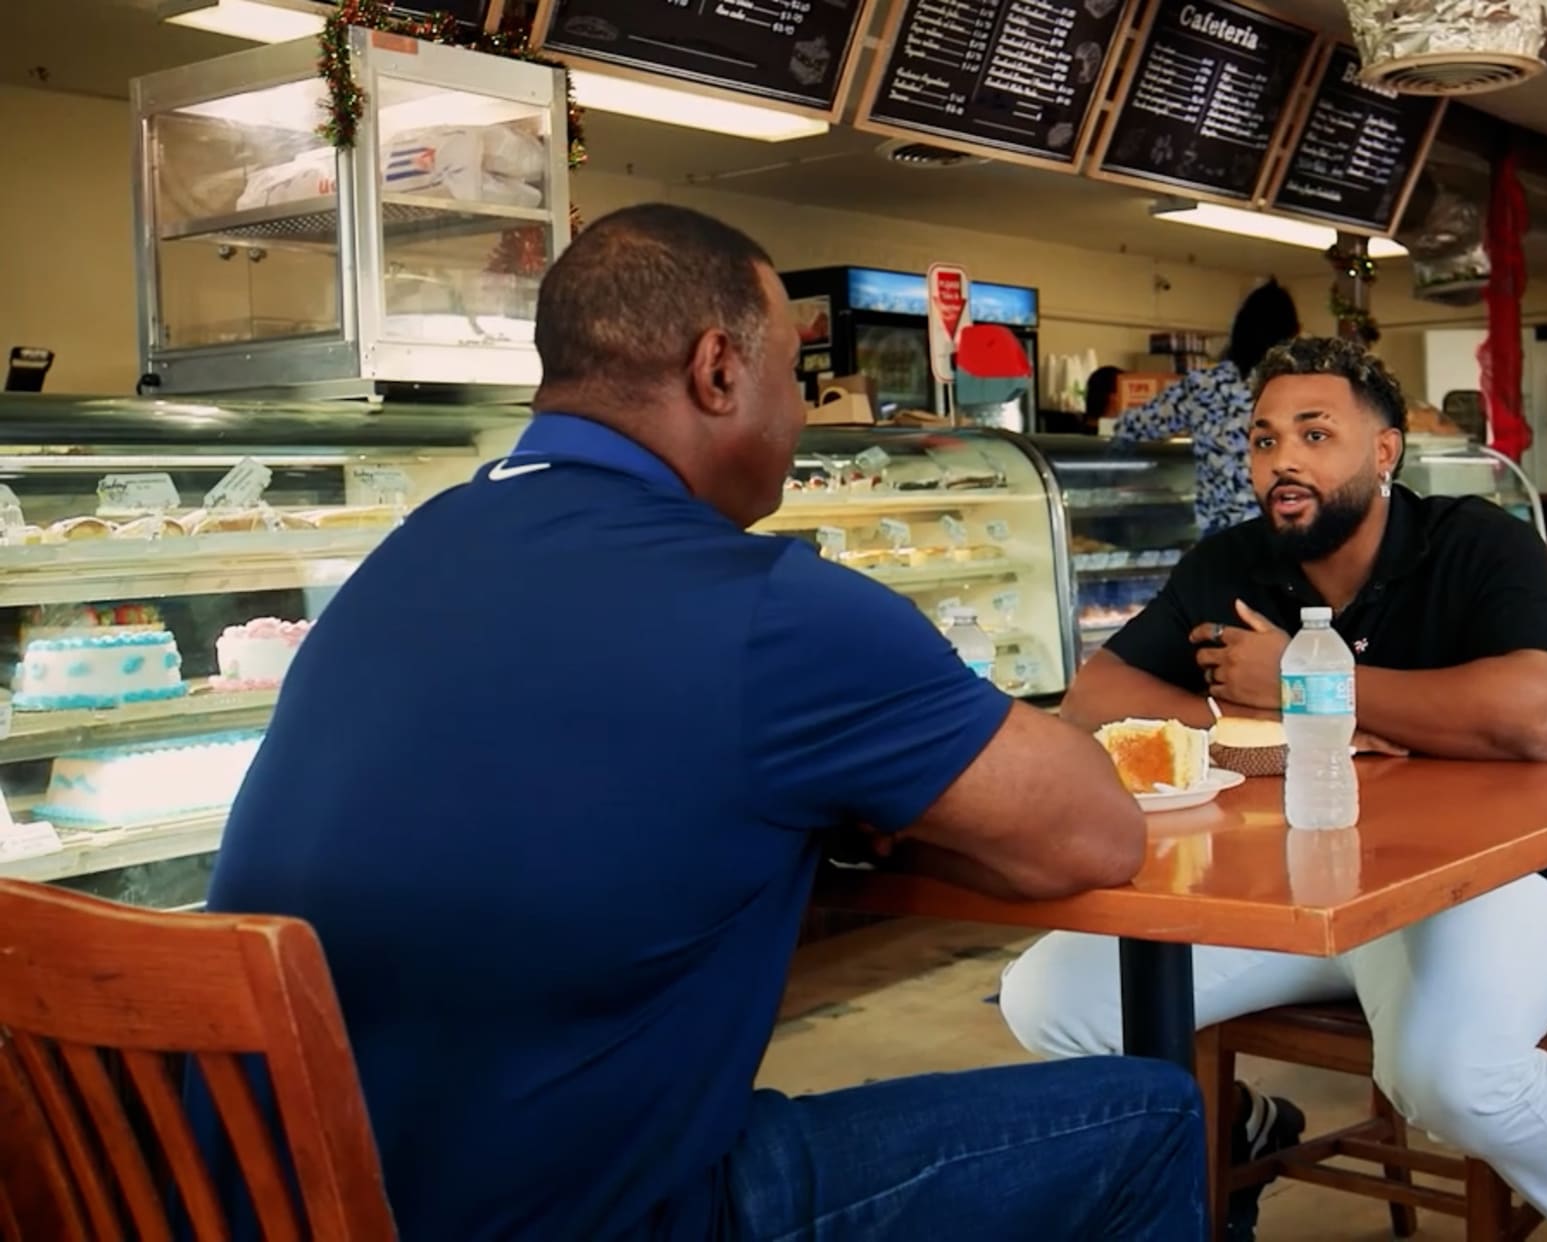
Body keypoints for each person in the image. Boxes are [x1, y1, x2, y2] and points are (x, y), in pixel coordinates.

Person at [202, 204, 1206, 1240]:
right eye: (795, 377)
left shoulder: (407, 552)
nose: (806, 413)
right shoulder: (773, 608)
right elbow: (1095, 833)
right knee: (1153, 1114)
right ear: (718, 370)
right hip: (591, 1216)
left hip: (285, 1205)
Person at [999, 335, 1547, 1242]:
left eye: (1314, 434)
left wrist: (1307, 680)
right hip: (1291, 891)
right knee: (1049, 999)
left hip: (1485, 885)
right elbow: (1097, 701)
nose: (1281, 459)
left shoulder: (1478, 543)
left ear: (1384, 451)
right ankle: (1236, 1121)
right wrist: (1278, 730)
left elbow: (1535, 715)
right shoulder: (1230, 564)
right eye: (1261, 440)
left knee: (1445, 1074)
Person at [1112, 279, 1300, 535]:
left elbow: (1131, 426)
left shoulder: (1203, 385)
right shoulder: (1296, 388)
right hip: (1282, 528)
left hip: (1220, 536)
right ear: (1289, 336)